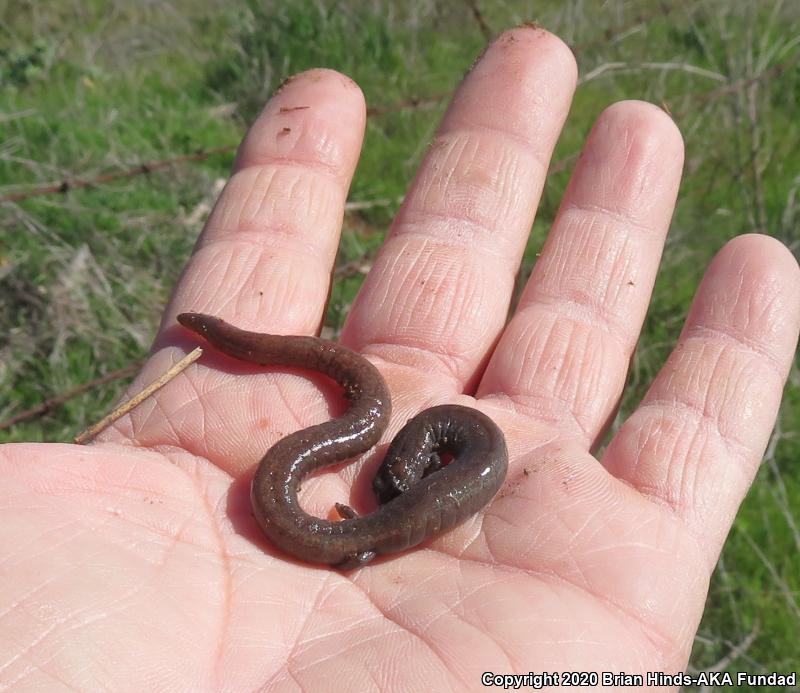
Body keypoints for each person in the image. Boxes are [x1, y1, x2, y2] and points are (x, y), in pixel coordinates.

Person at [1, 26, 798, 690]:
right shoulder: (413, 469)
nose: (388, 475)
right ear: (420, 459)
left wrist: (372, 515)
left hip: (381, 501)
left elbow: (385, 495)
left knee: (366, 475)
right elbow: (384, 496)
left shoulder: (416, 469)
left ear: (416, 459)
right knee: (363, 466)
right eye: (395, 473)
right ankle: (249, 356)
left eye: (393, 473)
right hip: (382, 501)